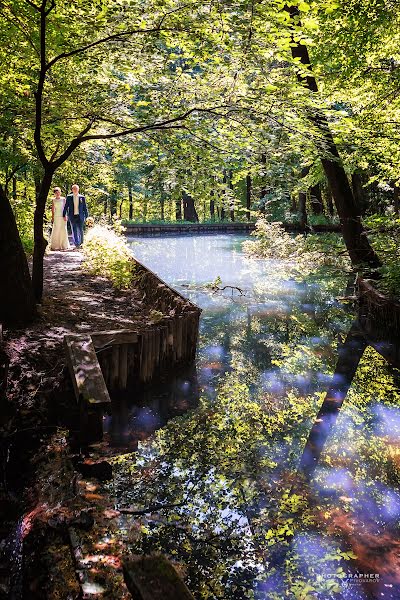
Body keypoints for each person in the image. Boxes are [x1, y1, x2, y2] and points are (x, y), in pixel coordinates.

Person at [63, 184, 89, 248]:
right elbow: (66, 206)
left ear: (78, 189)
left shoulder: (82, 197)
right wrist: (64, 214)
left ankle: (81, 243)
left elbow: (85, 208)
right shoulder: (69, 197)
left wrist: (87, 217)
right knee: (74, 230)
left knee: (81, 230)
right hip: (72, 216)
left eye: (76, 189)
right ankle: (76, 244)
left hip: (80, 216)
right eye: (74, 189)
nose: (75, 190)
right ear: (72, 190)